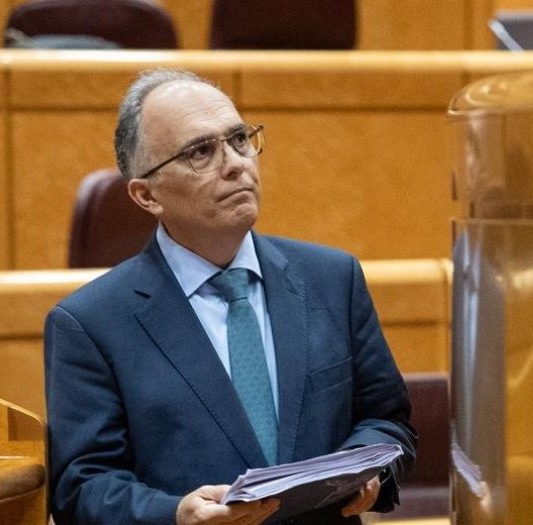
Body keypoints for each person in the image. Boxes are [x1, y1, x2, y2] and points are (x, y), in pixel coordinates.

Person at [45, 68, 417, 525]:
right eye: (201, 151)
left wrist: (366, 470)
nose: (236, 163)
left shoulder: (333, 279)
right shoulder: (90, 323)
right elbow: (82, 487)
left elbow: (388, 420)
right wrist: (174, 516)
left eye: (239, 140)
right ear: (146, 195)